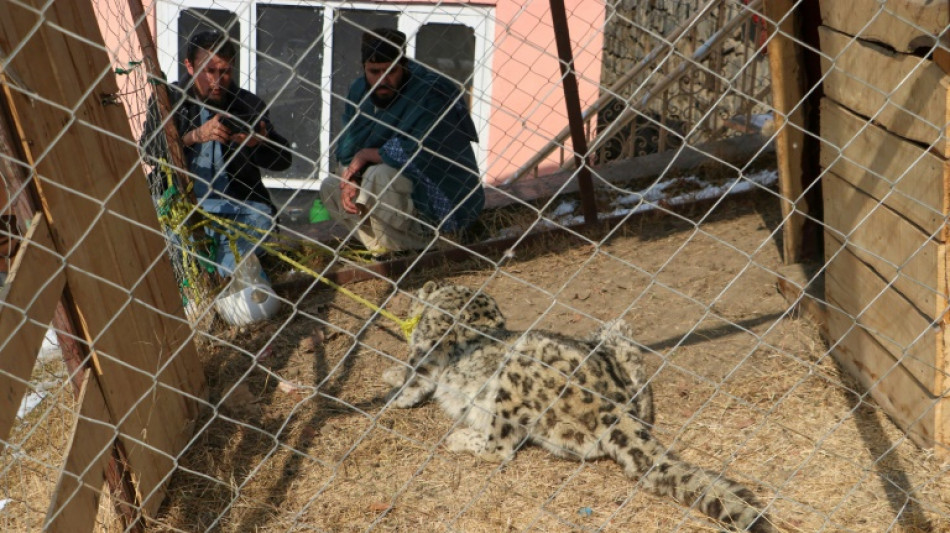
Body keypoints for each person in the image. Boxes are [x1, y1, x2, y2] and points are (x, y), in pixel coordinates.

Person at [140, 29, 292, 278]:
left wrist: (259, 142)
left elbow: (284, 160)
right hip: (181, 202)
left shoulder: (247, 104)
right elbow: (149, 151)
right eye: (209, 71)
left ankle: (216, 272)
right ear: (189, 66)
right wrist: (193, 136)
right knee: (159, 222)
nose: (217, 81)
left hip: (232, 206)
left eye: (225, 72)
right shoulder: (169, 100)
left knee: (262, 218)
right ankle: (221, 272)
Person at [321, 28, 484, 256]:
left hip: (436, 190)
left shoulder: (429, 92)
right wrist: (353, 176)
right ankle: (384, 251)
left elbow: (422, 151)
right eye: (374, 72)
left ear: (403, 65)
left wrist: (366, 155)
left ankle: (432, 245)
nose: (383, 80)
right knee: (331, 185)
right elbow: (349, 146)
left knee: (379, 176)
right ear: (364, 67)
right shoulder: (359, 90)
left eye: (391, 71)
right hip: (388, 180)